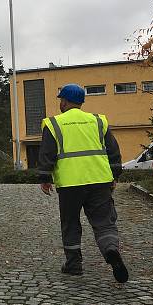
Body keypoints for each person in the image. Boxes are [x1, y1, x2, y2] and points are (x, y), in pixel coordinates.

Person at [37, 83, 127, 282]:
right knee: (104, 222)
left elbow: (47, 153)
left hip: (70, 185)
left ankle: (74, 265)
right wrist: (115, 175)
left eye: (61, 99)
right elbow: (113, 150)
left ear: (66, 101)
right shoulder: (98, 121)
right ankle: (111, 249)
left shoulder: (53, 123)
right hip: (100, 181)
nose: (60, 103)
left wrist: (45, 177)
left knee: (70, 223)